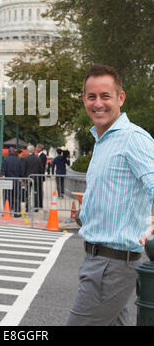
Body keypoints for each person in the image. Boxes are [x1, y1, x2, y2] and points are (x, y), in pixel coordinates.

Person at [66, 64, 154, 326]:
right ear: (84, 99)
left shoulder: (133, 139)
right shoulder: (104, 140)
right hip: (99, 260)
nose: (98, 103)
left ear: (120, 98)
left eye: (106, 96)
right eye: (91, 97)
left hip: (112, 265)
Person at [1, 147, 24, 217]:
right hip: (17, 181)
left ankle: (7, 211)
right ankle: (17, 213)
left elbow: (2, 172)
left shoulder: (5, 159)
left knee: (7, 197)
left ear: (8, 152)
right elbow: (21, 172)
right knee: (17, 197)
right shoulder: (18, 160)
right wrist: (22, 180)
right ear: (14, 152)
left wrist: (0, 178)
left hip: (7, 181)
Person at [23, 145, 44, 212]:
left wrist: (23, 178)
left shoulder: (26, 159)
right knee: (36, 192)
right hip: (36, 178)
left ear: (29, 151)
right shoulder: (38, 158)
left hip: (28, 178)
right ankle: (36, 207)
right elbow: (41, 169)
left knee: (27, 192)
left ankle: (27, 207)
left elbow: (24, 169)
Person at [36, 143, 47, 209]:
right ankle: (38, 203)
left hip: (39, 175)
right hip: (38, 175)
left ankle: (40, 204)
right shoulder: (38, 155)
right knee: (37, 190)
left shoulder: (43, 156)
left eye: (37, 147)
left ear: (40, 148)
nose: (36, 149)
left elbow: (42, 167)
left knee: (39, 190)